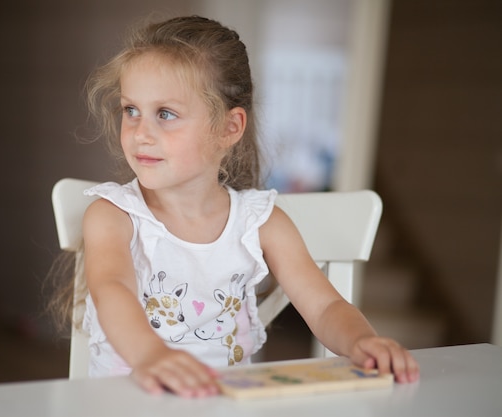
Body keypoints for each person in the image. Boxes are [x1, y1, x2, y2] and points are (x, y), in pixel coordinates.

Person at [56, 15, 419, 398]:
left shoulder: (259, 223)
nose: (141, 133)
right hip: (127, 402)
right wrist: (151, 355)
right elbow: (113, 290)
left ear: (229, 128)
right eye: (131, 110)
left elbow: (325, 305)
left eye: (165, 114)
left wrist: (362, 340)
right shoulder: (114, 216)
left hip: (223, 404)